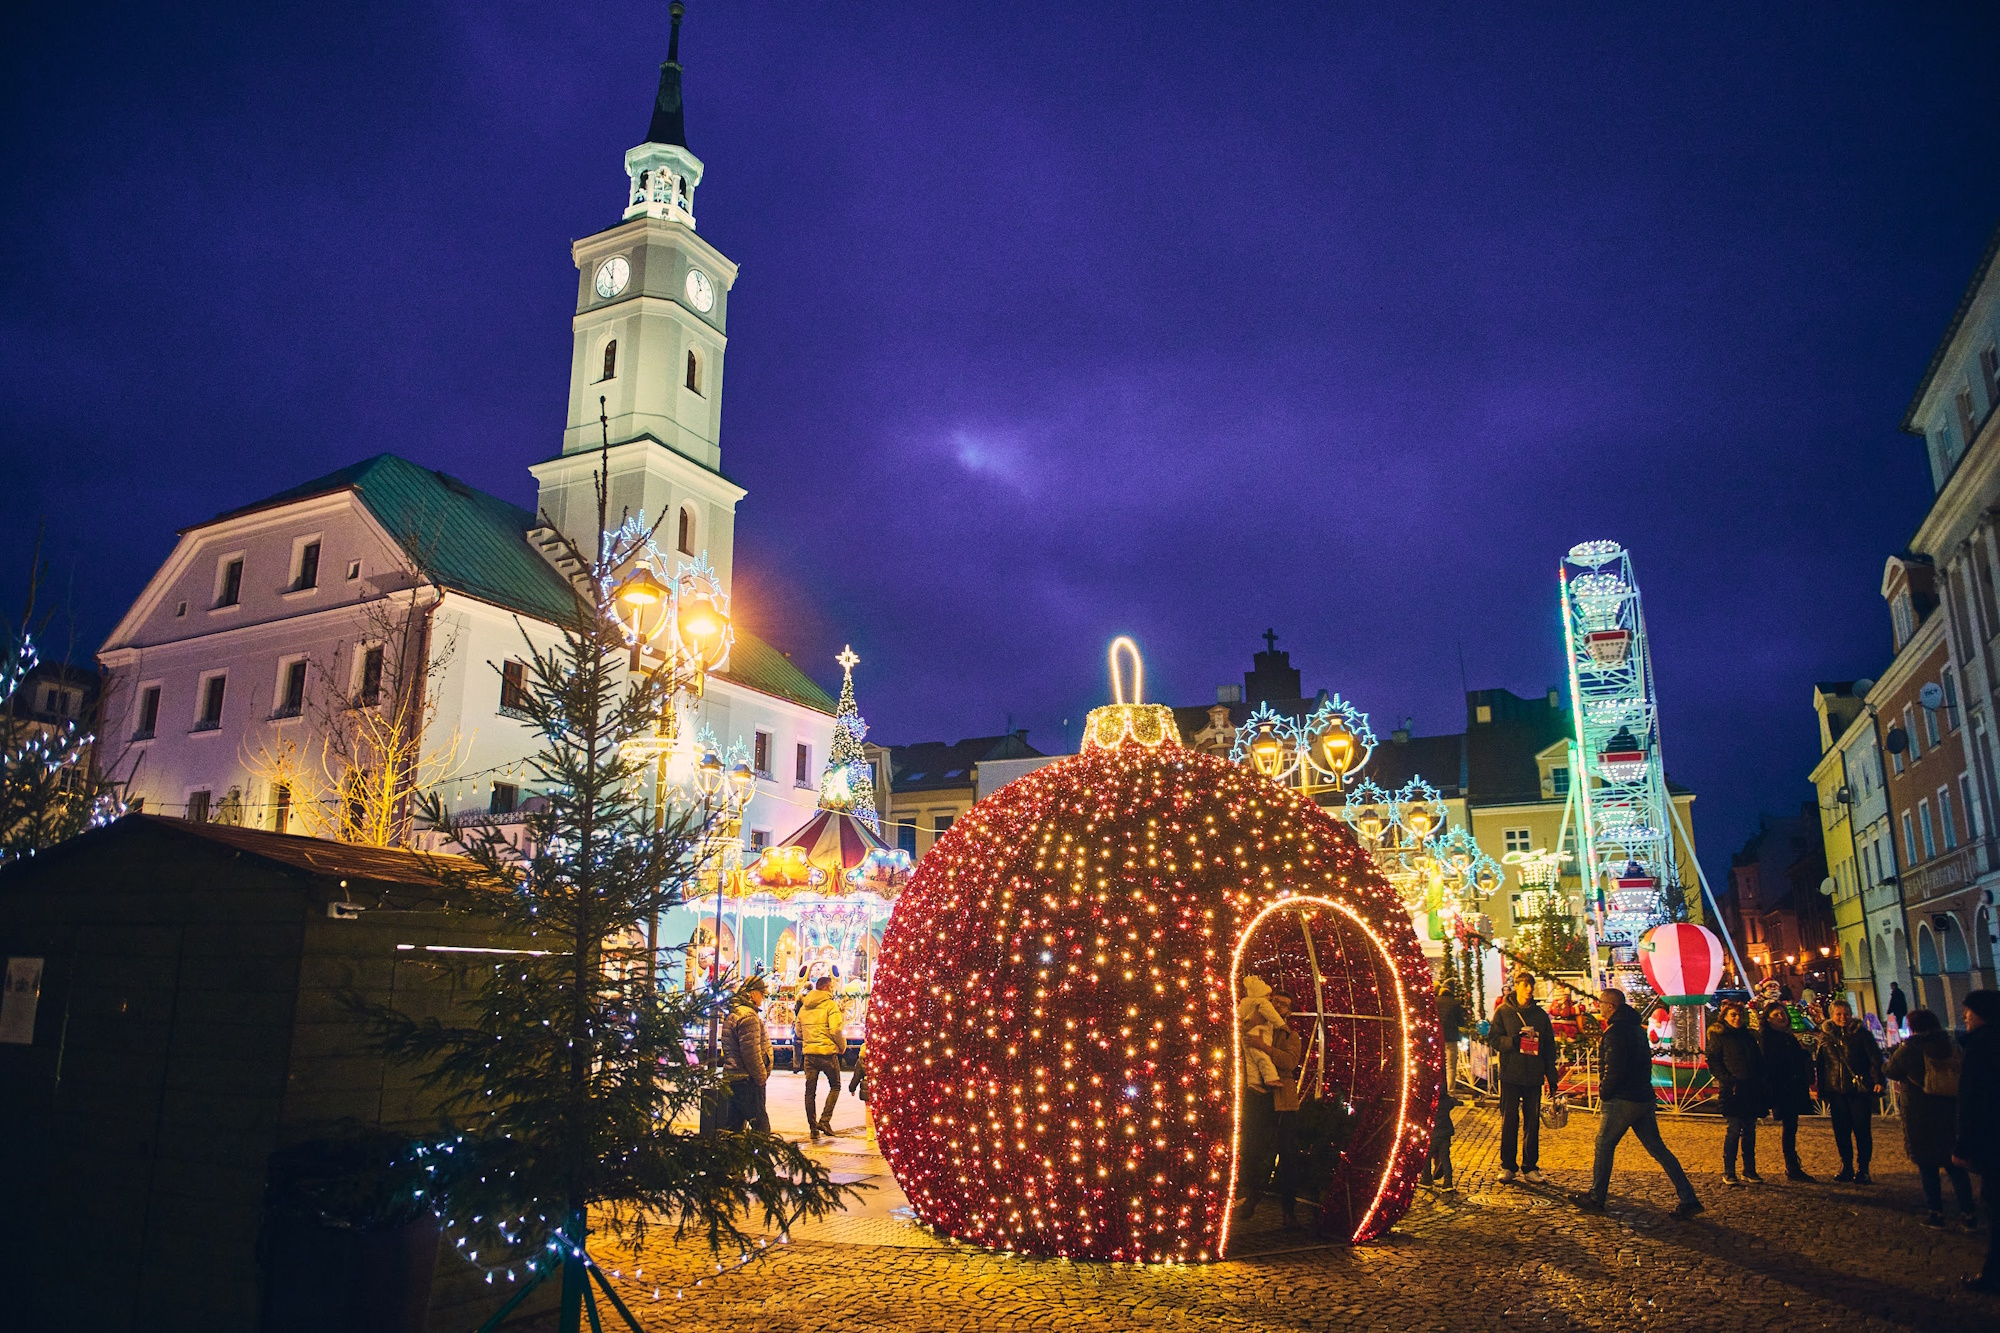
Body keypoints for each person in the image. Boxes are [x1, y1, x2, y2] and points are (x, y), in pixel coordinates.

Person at [1572, 989, 1701, 1219]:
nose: (1598, 1007)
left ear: (1611, 1006)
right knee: (1658, 1149)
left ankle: (1596, 1196)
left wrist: (1604, 1092)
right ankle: (1688, 1197)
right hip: (1643, 1096)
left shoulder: (1615, 1032)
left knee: (1604, 1144)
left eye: (1601, 1003)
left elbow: (1614, 1069)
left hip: (1623, 1099)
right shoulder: (1635, 1028)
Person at [1885, 1008, 1975, 1229]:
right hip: (1949, 1112)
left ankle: (1936, 1213)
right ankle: (1968, 1214)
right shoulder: (1951, 1045)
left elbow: (1890, 1071)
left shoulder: (1908, 1051)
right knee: (1956, 1167)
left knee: (1928, 1166)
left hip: (1920, 1114)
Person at [1952, 990, 2000, 1292]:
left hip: (1991, 1141)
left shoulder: (1981, 1048)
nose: (1964, 1016)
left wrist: (1963, 1146)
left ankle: (1994, 1276)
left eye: (1967, 1011)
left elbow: (1973, 1102)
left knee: (1995, 1208)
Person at [1491, 970, 1559, 1184]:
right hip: (1511, 1075)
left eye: (1531, 986)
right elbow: (1493, 1039)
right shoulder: (1503, 1011)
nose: (1529, 990)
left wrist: (1551, 1074)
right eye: (1525, 986)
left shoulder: (1540, 1015)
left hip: (1533, 1075)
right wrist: (1513, 1042)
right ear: (1516, 987)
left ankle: (1530, 1166)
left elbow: (1549, 1045)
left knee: (1532, 1123)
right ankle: (1507, 1165)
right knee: (1509, 1121)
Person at [1817, 999, 1886, 1184]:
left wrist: (1878, 1080)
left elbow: (1875, 1058)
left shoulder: (1862, 1034)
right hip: (1836, 1090)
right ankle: (1846, 1166)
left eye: (1846, 1014)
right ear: (1831, 1016)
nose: (1842, 1018)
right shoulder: (1826, 1037)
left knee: (1862, 1130)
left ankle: (1863, 1169)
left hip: (1858, 1090)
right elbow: (1822, 1064)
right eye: (1838, 1014)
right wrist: (1821, 1088)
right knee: (1841, 1131)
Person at [1705, 1000, 1767, 1184]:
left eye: (1740, 1015)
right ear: (1724, 1017)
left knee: (1749, 1130)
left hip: (1750, 1088)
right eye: (1733, 1015)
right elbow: (1714, 1061)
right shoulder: (1719, 1036)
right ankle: (1729, 1171)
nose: (1737, 1018)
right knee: (1734, 1130)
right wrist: (1728, 1080)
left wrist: (1759, 1078)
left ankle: (1749, 1169)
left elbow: (1757, 1059)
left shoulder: (1747, 1036)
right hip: (1733, 1089)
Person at [1759, 1001, 1817, 1181]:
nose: (1781, 1017)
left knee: (1792, 1126)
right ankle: (1791, 1165)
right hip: (1782, 1087)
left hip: (1793, 1086)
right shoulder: (1768, 1038)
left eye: (1782, 1013)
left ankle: (1792, 1164)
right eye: (1776, 1015)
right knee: (1789, 1126)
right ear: (1768, 1019)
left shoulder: (1788, 1036)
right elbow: (1772, 1062)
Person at [720, 975, 774, 1134]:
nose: (763, 997)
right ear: (752, 993)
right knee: (761, 1129)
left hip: (733, 1077)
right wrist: (761, 1077)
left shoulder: (734, 1012)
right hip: (746, 1080)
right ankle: (762, 1159)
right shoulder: (748, 1016)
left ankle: (729, 1158)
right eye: (761, 993)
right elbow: (751, 1053)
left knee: (733, 1128)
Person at [798, 975, 847, 1140]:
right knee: (836, 1085)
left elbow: (798, 1031)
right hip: (826, 1054)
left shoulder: (804, 1007)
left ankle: (813, 1129)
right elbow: (835, 1030)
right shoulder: (830, 1005)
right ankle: (825, 1120)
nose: (833, 989)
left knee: (809, 1092)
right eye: (831, 986)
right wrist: (842, 1046)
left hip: (809, 1055)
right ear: (826, 987)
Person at [1437, 979, 1466, 1091]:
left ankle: (1440, 1090)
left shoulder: (1436, 1001)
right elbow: (1461, 1021)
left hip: (1438, 1038)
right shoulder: (1455, 1002)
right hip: (1451, 1037)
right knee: (1451, 1066)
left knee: (1440, 1065)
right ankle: (1450, 1091)